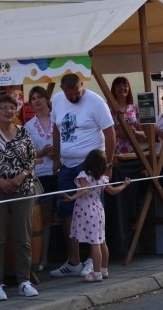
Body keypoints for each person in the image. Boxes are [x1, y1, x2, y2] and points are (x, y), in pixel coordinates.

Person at [49, 74, 116, 278]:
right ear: (62, 89)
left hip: (89, 164)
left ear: (82, 86)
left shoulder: (96, 102)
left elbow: (110, 132)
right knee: (67, 210)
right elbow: (56, 128)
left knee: (92, 213)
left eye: (76, 93)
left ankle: (93, 261)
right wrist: (57, 157)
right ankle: (74, 260)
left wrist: (108, 165)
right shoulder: (58, 100)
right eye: (69, 94)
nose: (73, 97)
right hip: (67, 164)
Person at [0, 94, 39, 301]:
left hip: (23, 188)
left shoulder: (23, 132)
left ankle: (24, 281)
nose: (8, 111)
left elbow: (31, 159)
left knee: (23, 237)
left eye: (12, 108)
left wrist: (20, 177)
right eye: (4, 108)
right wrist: (0, 181)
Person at [62, 149, 130, 283]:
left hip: (87, 210)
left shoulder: (84, 175)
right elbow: (114, 191)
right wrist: (125, 184)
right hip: (99, 209)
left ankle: (97, 272)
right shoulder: (102, 178)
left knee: (94, 243)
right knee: (101, 240)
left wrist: (71, 197)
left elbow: (84, 190)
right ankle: (104, 269)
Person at [24, 87, 57, 271]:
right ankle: (42, 257)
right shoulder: (28, 126)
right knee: (45, 216)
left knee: (68, 212)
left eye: (39, 97)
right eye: (33, 98)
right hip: (42, 173)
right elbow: (27, 154)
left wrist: (58, 153)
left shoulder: (58, 119)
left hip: (60, 169)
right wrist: (42, 152)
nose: (36, 101)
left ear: (46, 99)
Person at [110, 76, 146, 155]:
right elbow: (101, 132)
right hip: (114, 153)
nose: (122, 88)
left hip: (133, 152)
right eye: (118, 86)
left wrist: (135, 132)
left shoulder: (135, 108)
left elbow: (145, 134)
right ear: (114, 89)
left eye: (125, 85)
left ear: (129, 89)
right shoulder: (108, 109)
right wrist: (119, 133)